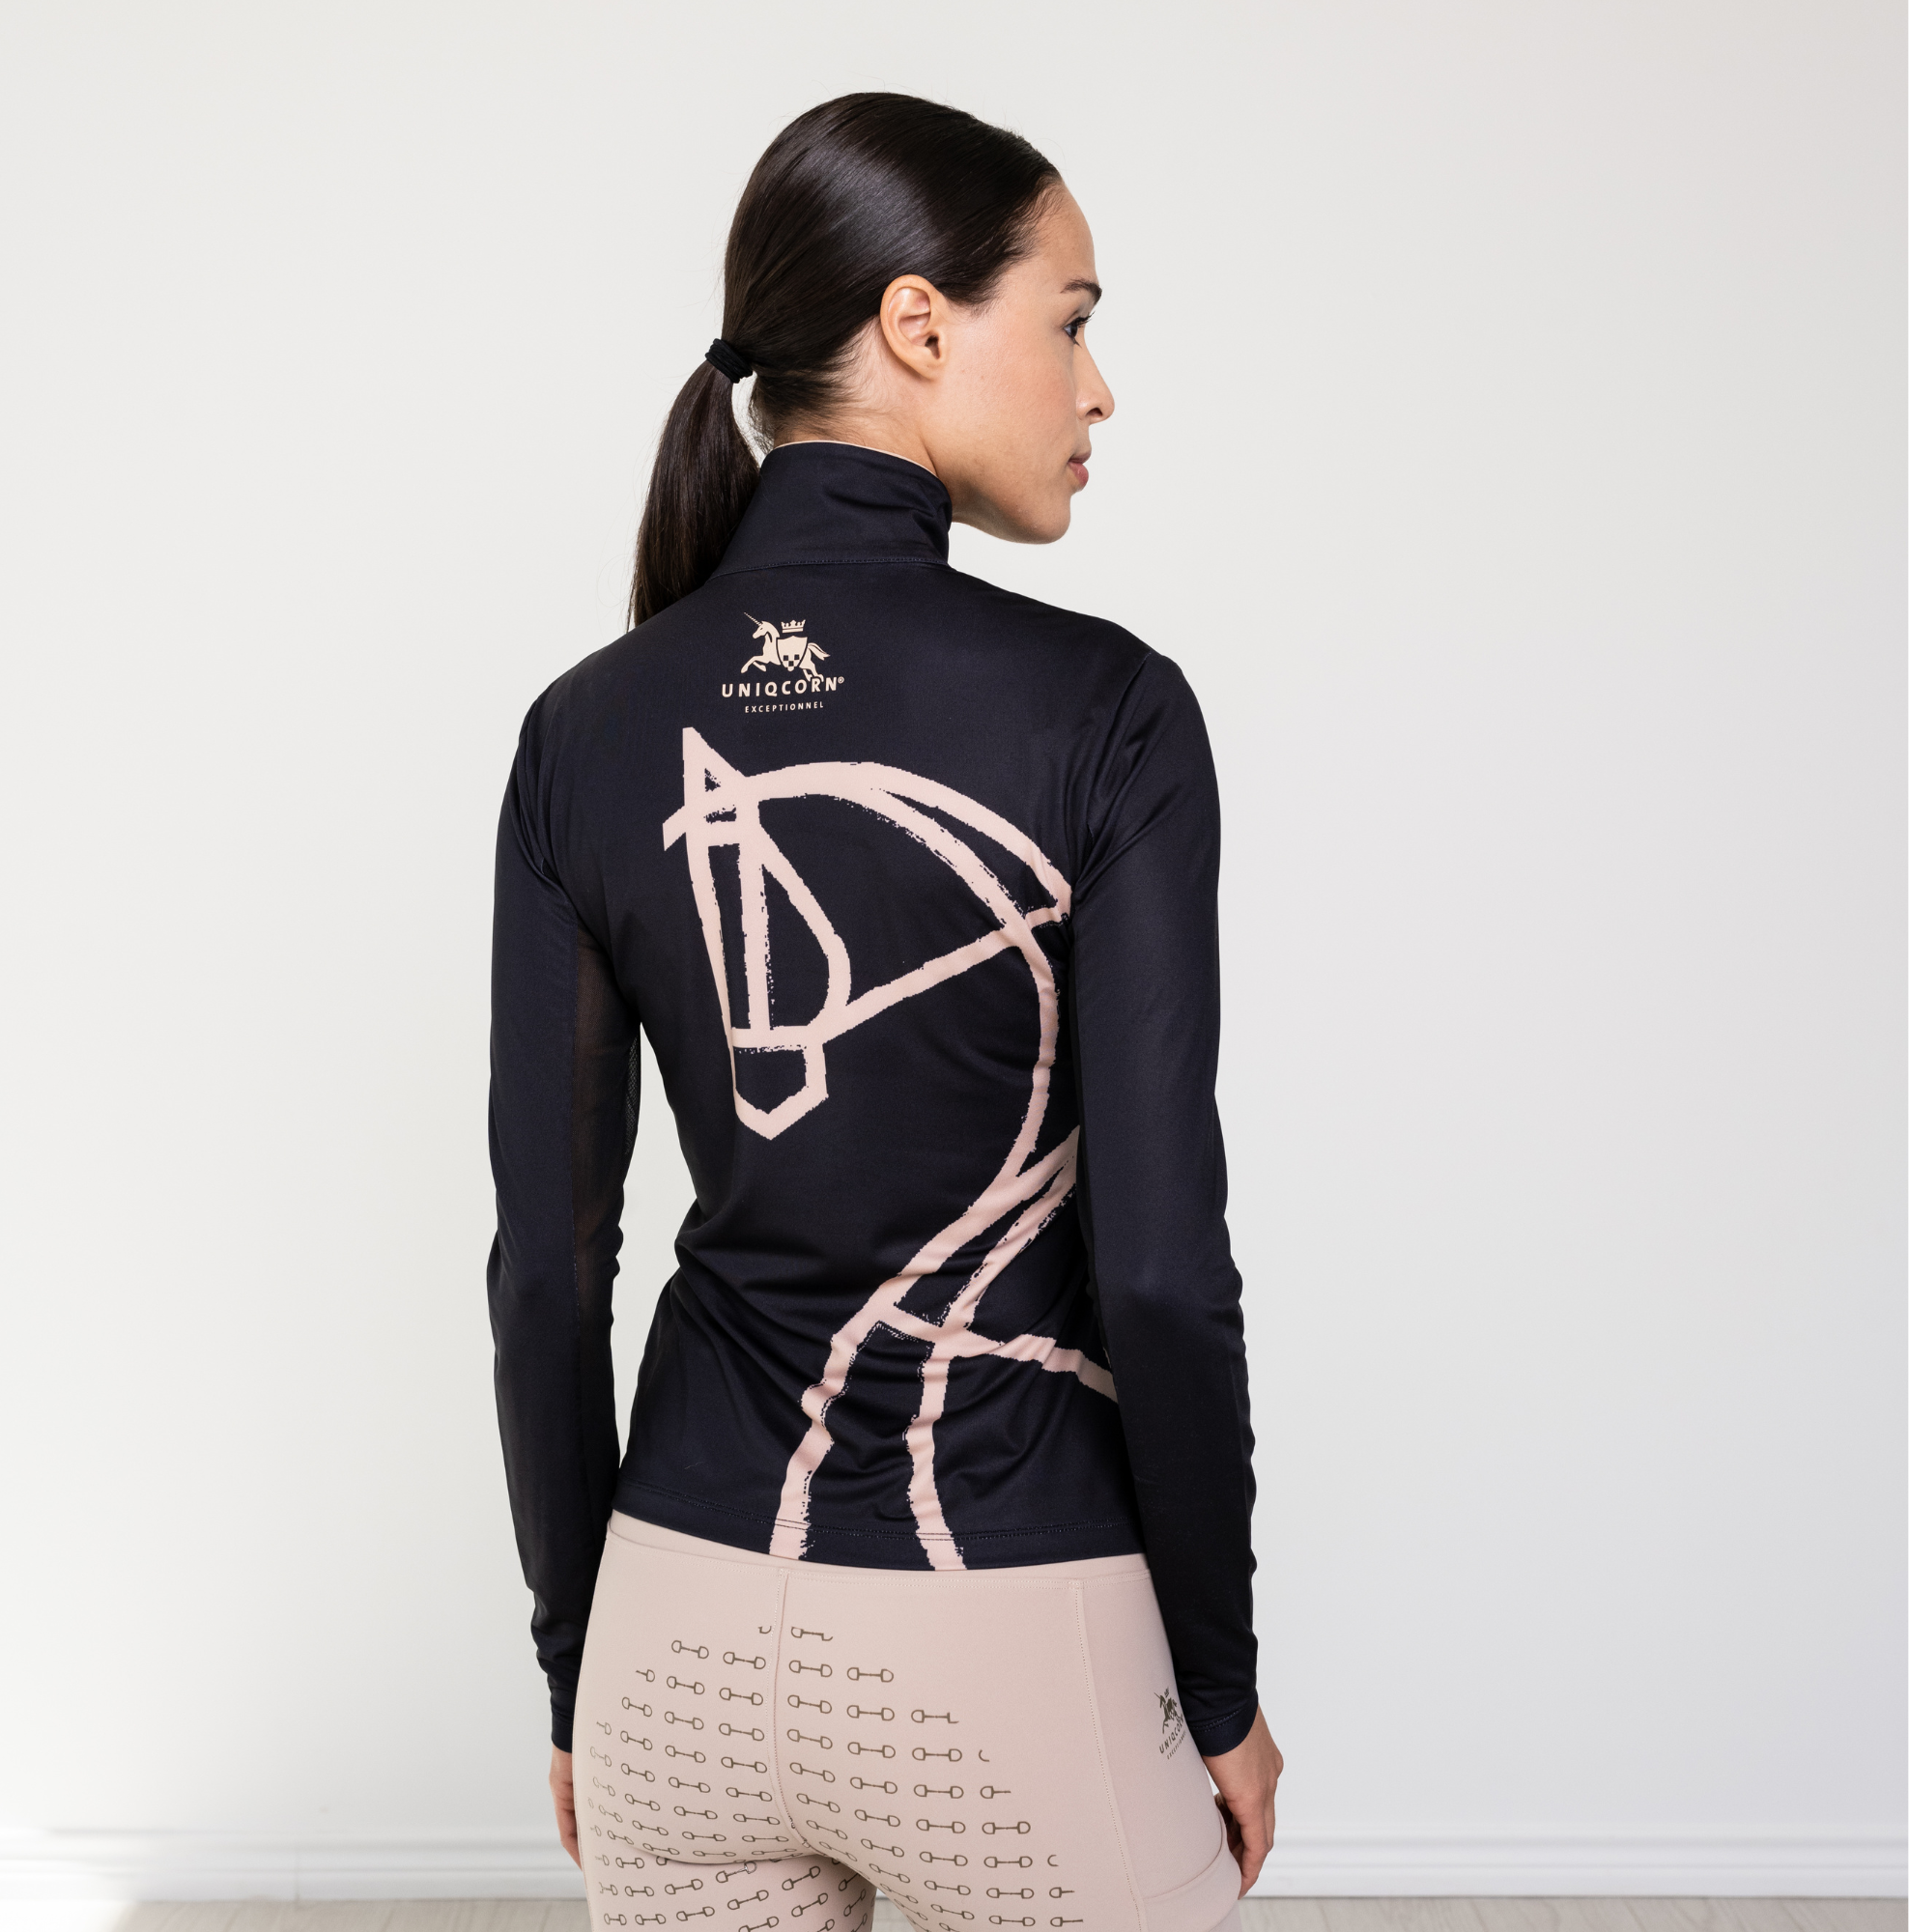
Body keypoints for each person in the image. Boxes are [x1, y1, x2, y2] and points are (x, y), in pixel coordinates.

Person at [486, 92, 1283, 1932]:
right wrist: (1220, 1686)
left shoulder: (582, 730)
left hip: (674, 1634)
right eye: (1071, 321)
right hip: (1010, 1633)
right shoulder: (1109, 714)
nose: (1098, 391)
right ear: (919, 323)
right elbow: (1162, 1271)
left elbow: (545, 1270)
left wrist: (578, 1673)